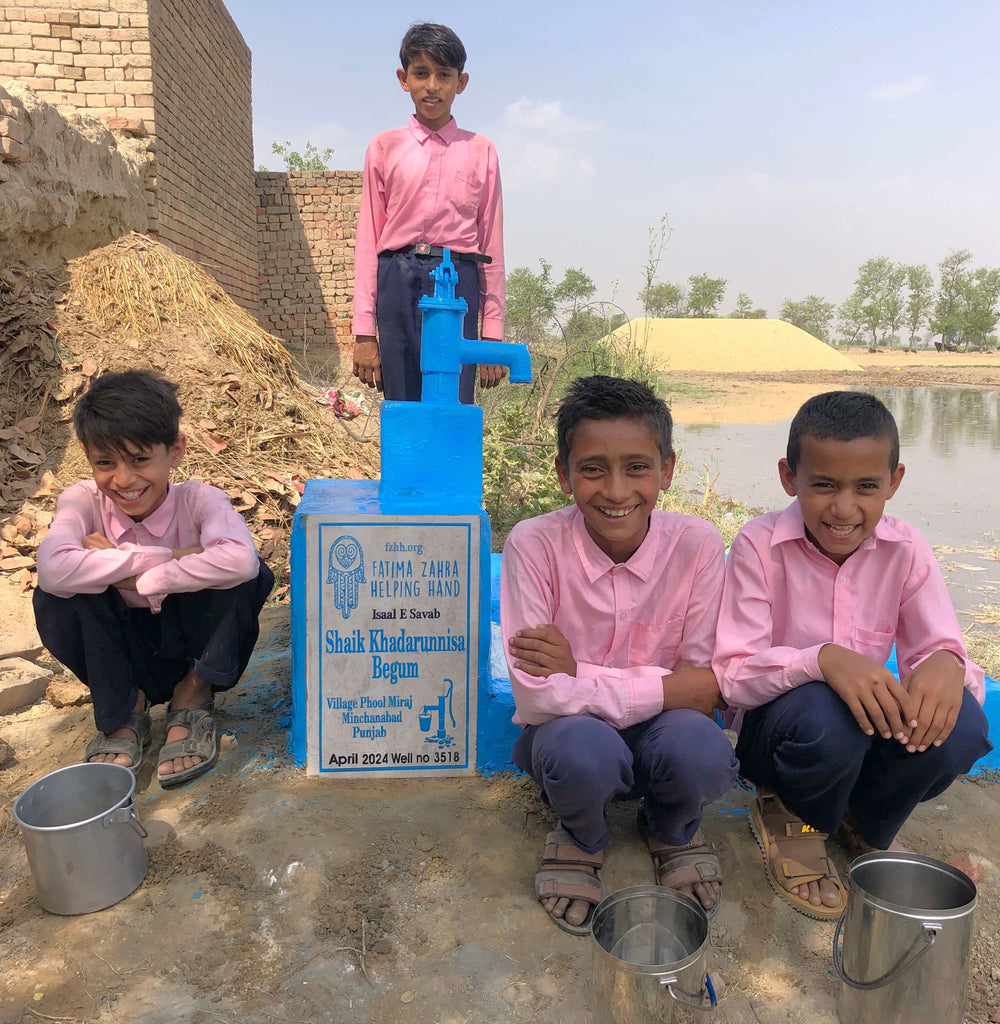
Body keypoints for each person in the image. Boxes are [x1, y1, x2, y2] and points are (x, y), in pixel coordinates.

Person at [712, 391, 992, 919]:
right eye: (823, 485)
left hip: (857, 739)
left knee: (963, 728)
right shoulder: (757, 545)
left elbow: (939, 646)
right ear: (788, 477)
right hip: (781, 738)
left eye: (866, 487)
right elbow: (732, 677)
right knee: (826, 712)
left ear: (894, 481)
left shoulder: (907, 550)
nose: (843, 508)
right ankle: (791, 821)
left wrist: (946, 663)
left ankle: (860, 820)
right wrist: (821, 659)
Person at [500, 376, 738, 934]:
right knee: (577, 748)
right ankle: (582, 834)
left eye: (636, 467)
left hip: (667, 730)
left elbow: (701, 684)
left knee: (699, 747)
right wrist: (664, 687)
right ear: (564, 474)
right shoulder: (533, 545)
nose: (615, 490)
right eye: (591, 469)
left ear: (667, 471)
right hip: (572, 734)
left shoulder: (698, 545)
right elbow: (537, 694)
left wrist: (578, 671)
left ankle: (673, 828)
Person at [34, 370, 274, 788]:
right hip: (125, 653)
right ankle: (127, 709)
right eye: (105, 463)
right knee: (56, 597)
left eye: (140, 459)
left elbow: (241, 563)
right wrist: (171, 557)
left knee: (247, 579)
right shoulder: (81, 501)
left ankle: (192, 698)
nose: (124, 480)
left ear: (175, 450)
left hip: (189, 646)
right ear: (86, 455)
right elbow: (53, 570)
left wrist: (130, 572)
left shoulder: (200, 500)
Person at [351, 22, 506, 405]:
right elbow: (369, 239)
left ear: (461, 82)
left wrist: (492, 333)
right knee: (402, 404)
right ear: (404, 79)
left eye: (444, 75)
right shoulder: (383, 147)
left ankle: (448, 467)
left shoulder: (481, 150)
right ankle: (405, 468)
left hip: (459, 280)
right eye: (421, 73)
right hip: (396, 278)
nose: (432, 86)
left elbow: (492, 244)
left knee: (451, 402)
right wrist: (364, 332)